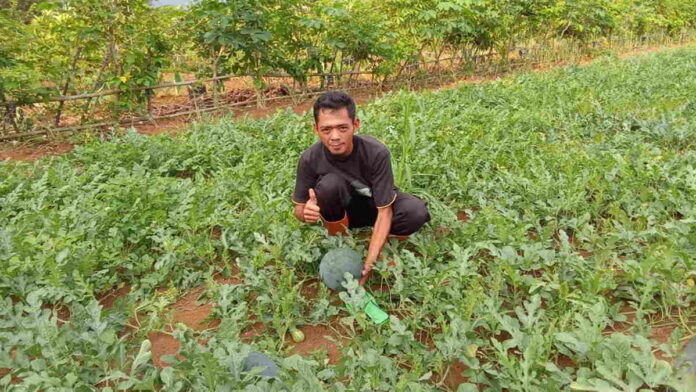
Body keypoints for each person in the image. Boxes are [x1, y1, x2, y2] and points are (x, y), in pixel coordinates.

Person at [291, 91, 430, 285]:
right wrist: (305, 213)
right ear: (316, 129)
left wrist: (371, 260)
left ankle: (379, 242)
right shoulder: (309, 159)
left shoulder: (375, 152)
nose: (335, 136)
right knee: (330, 184)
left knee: (415, 212)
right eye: (326, 130)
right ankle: (339, 245)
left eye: (342, 128)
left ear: (355, 125)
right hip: (343, 213)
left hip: (375, 207)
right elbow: (298, 209)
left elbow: (384, 211)